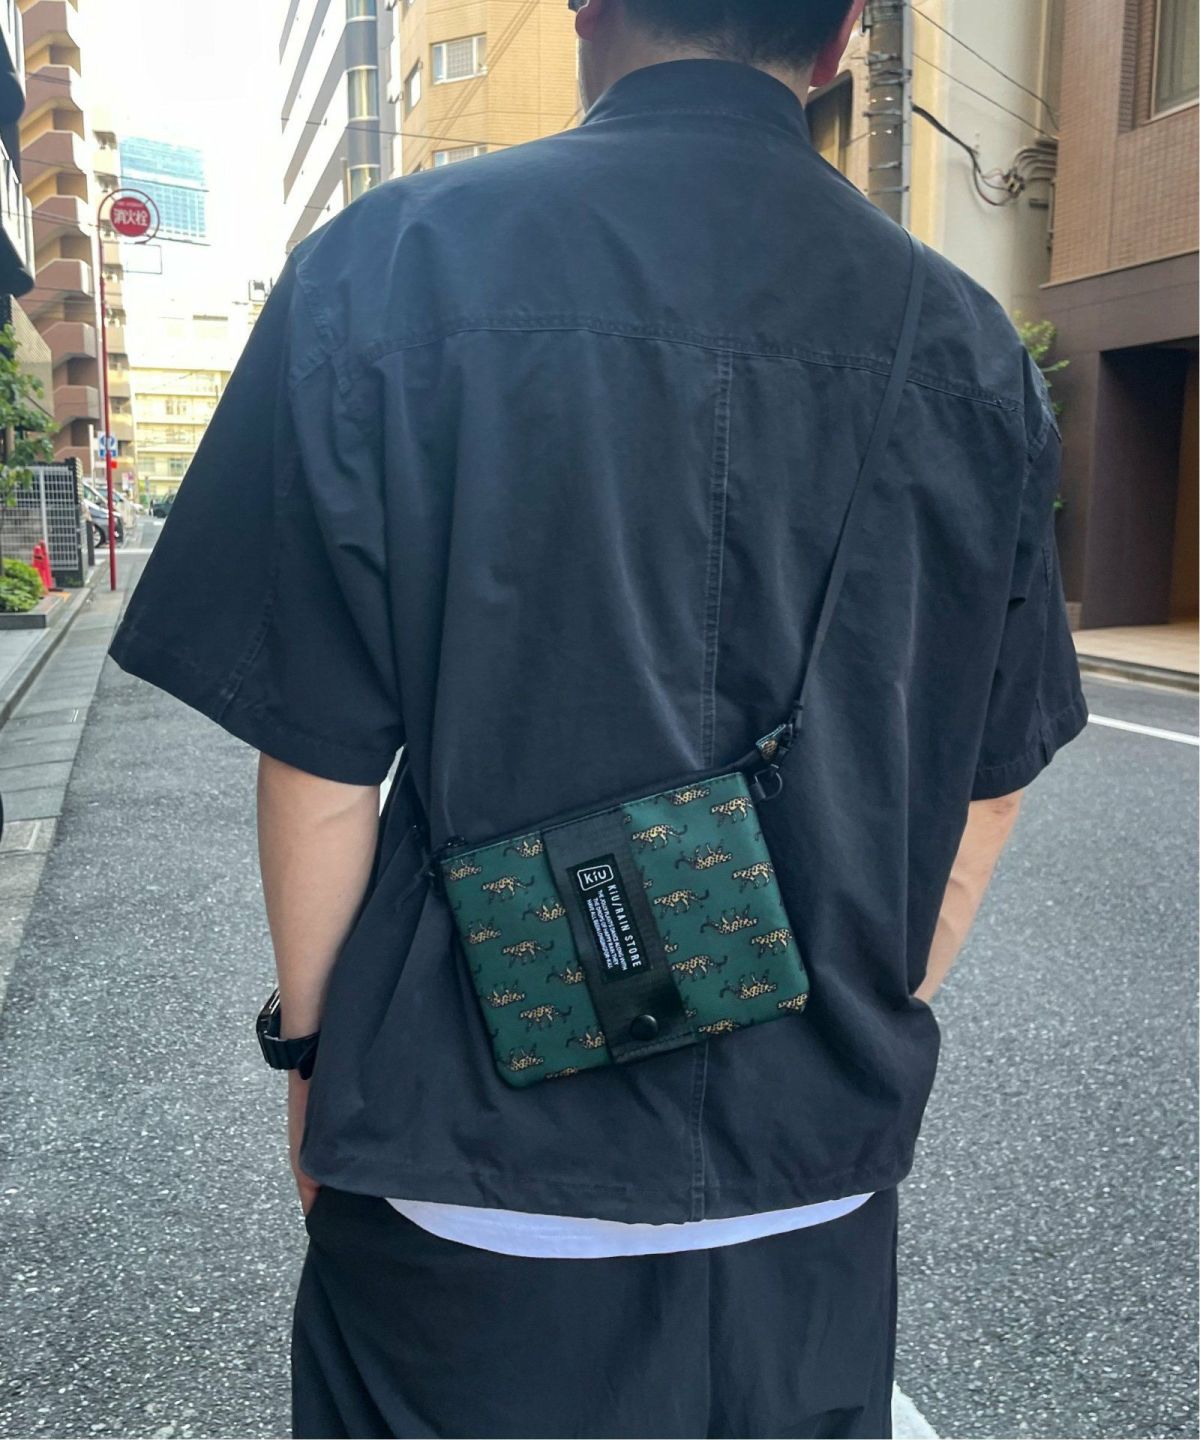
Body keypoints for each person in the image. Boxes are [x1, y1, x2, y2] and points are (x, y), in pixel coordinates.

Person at [108, 0, 1088, 1435]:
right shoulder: (969, 346)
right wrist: (834, 995)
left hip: (460, 1162)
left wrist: (316, 1063)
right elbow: (989, 778)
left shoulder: (387, 267)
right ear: (838, 41)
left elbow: (319, 761)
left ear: (586, 10)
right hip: (809, 1178)